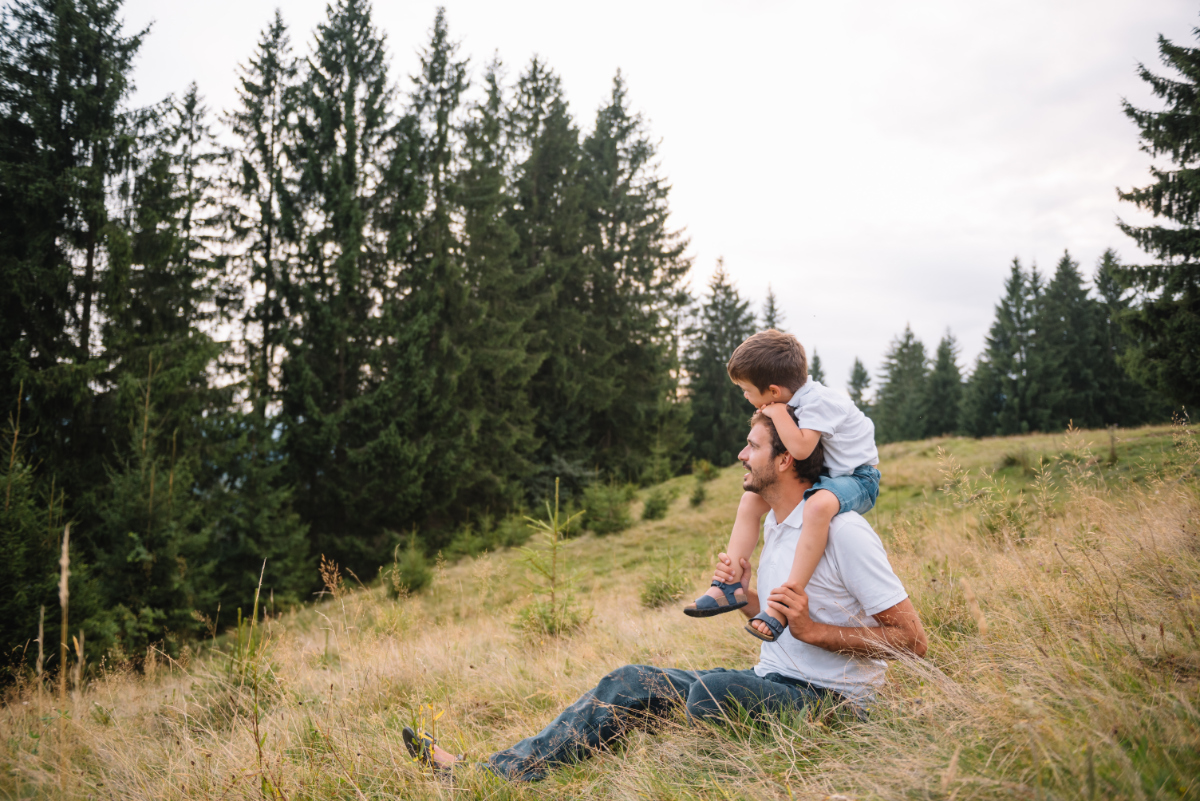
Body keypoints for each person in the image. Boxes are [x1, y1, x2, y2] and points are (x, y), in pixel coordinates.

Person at [404, 410, 926, 782]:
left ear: (787, 459)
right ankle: (491, 776)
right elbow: (773, 618)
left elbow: (912, 641)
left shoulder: (844, 530)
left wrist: (816, 632)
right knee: (631, 681)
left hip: (833, 704)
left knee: (713, 695)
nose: (741, 454)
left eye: (753, 446)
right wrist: (745, 596)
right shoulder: (777, 526)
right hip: (770, 680)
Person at [683, 329, 880, 642]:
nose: (746, 397)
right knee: (751, 500)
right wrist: (776, 411)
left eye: (747, 390)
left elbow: (800, 450)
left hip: (858, 478)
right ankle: (728, 585)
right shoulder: (792, 402)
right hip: (829, 475)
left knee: (817, 507)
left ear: (773, 391)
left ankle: (785, 602)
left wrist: (776, 411)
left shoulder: (817, 402)